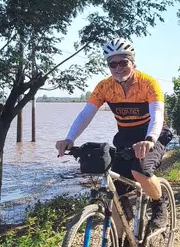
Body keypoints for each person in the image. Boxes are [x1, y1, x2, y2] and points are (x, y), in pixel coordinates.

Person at [55, 38, 169, 229]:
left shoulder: (148, 83)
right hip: (126, 136)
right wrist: (70, 139)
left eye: (123, 62)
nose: (118, 68)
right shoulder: (104, 86)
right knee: (114, 189)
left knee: (139, 169)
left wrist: (149, 139)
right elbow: (86, 114)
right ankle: (120, 243)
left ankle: (159, 203)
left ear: (133, 62)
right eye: (112, 64)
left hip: (152, 133)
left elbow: (157, 114)